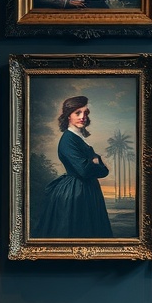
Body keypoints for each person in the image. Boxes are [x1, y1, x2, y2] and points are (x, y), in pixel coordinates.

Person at [34, 96, 113, 238]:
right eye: (78, 113)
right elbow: (84, 170)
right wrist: (95, 162)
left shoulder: (79, 138)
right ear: (68, 116)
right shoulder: (68, 140)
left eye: (85, 113)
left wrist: (96, 162)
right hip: (76, 193)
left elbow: (103, 170)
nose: (83, 117)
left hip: (87, 189)